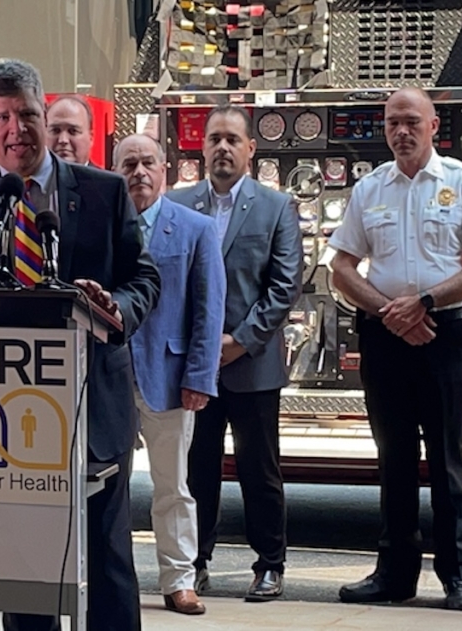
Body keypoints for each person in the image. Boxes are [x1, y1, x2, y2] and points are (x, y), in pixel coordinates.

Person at [0, 59, 161, 631]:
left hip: (91, 408)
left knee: (106, 563)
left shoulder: (104, 192)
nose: (17, 130)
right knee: (28, 572)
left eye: (27, 114)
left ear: (44, 111)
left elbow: (145, 279)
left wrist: (116, 307)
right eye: (2, 117)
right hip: (1, 417)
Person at [326, 87, 462, 612]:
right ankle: (394, 575)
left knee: (448, 462)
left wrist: (423, 302)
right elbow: (339, 267)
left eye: (411, 122)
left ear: (433, 127)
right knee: (394, 460)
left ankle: (457, 577)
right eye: (391, 123)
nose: (400, 132)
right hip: (386, 338)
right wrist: (390, 313)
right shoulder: (369, 189)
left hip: (444, 335)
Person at [165, 104, 301, 602]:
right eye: (214, 139)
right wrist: (202, 347)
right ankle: (194, 563)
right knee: (195, 468)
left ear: (251, 149)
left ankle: (270, 564)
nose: (222, 147)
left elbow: (285, 286)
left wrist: (239, 341)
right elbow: (166, 281)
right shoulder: (177, 204)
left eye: (232, 139)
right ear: (201, 147)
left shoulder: (276, 207)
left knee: (258, 469)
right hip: (192, 365)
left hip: (253, 364)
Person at [114, 133, 225, 615]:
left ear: (165, 169)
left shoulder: (196, 228)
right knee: (104, 485)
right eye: (128, 165)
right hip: (109, 376)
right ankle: (107, 575)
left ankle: (179, 579)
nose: (138, 172)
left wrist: (201, 375)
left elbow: (209, 307)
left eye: (147, 163)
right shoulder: (105, 225)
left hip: (170, 374)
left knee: (173, 486)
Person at [47, 94, 94, 166]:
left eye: (73, 131)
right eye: (55, 130)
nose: (63, 140)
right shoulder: (30, 177)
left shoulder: (105, 177)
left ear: (91, 138)